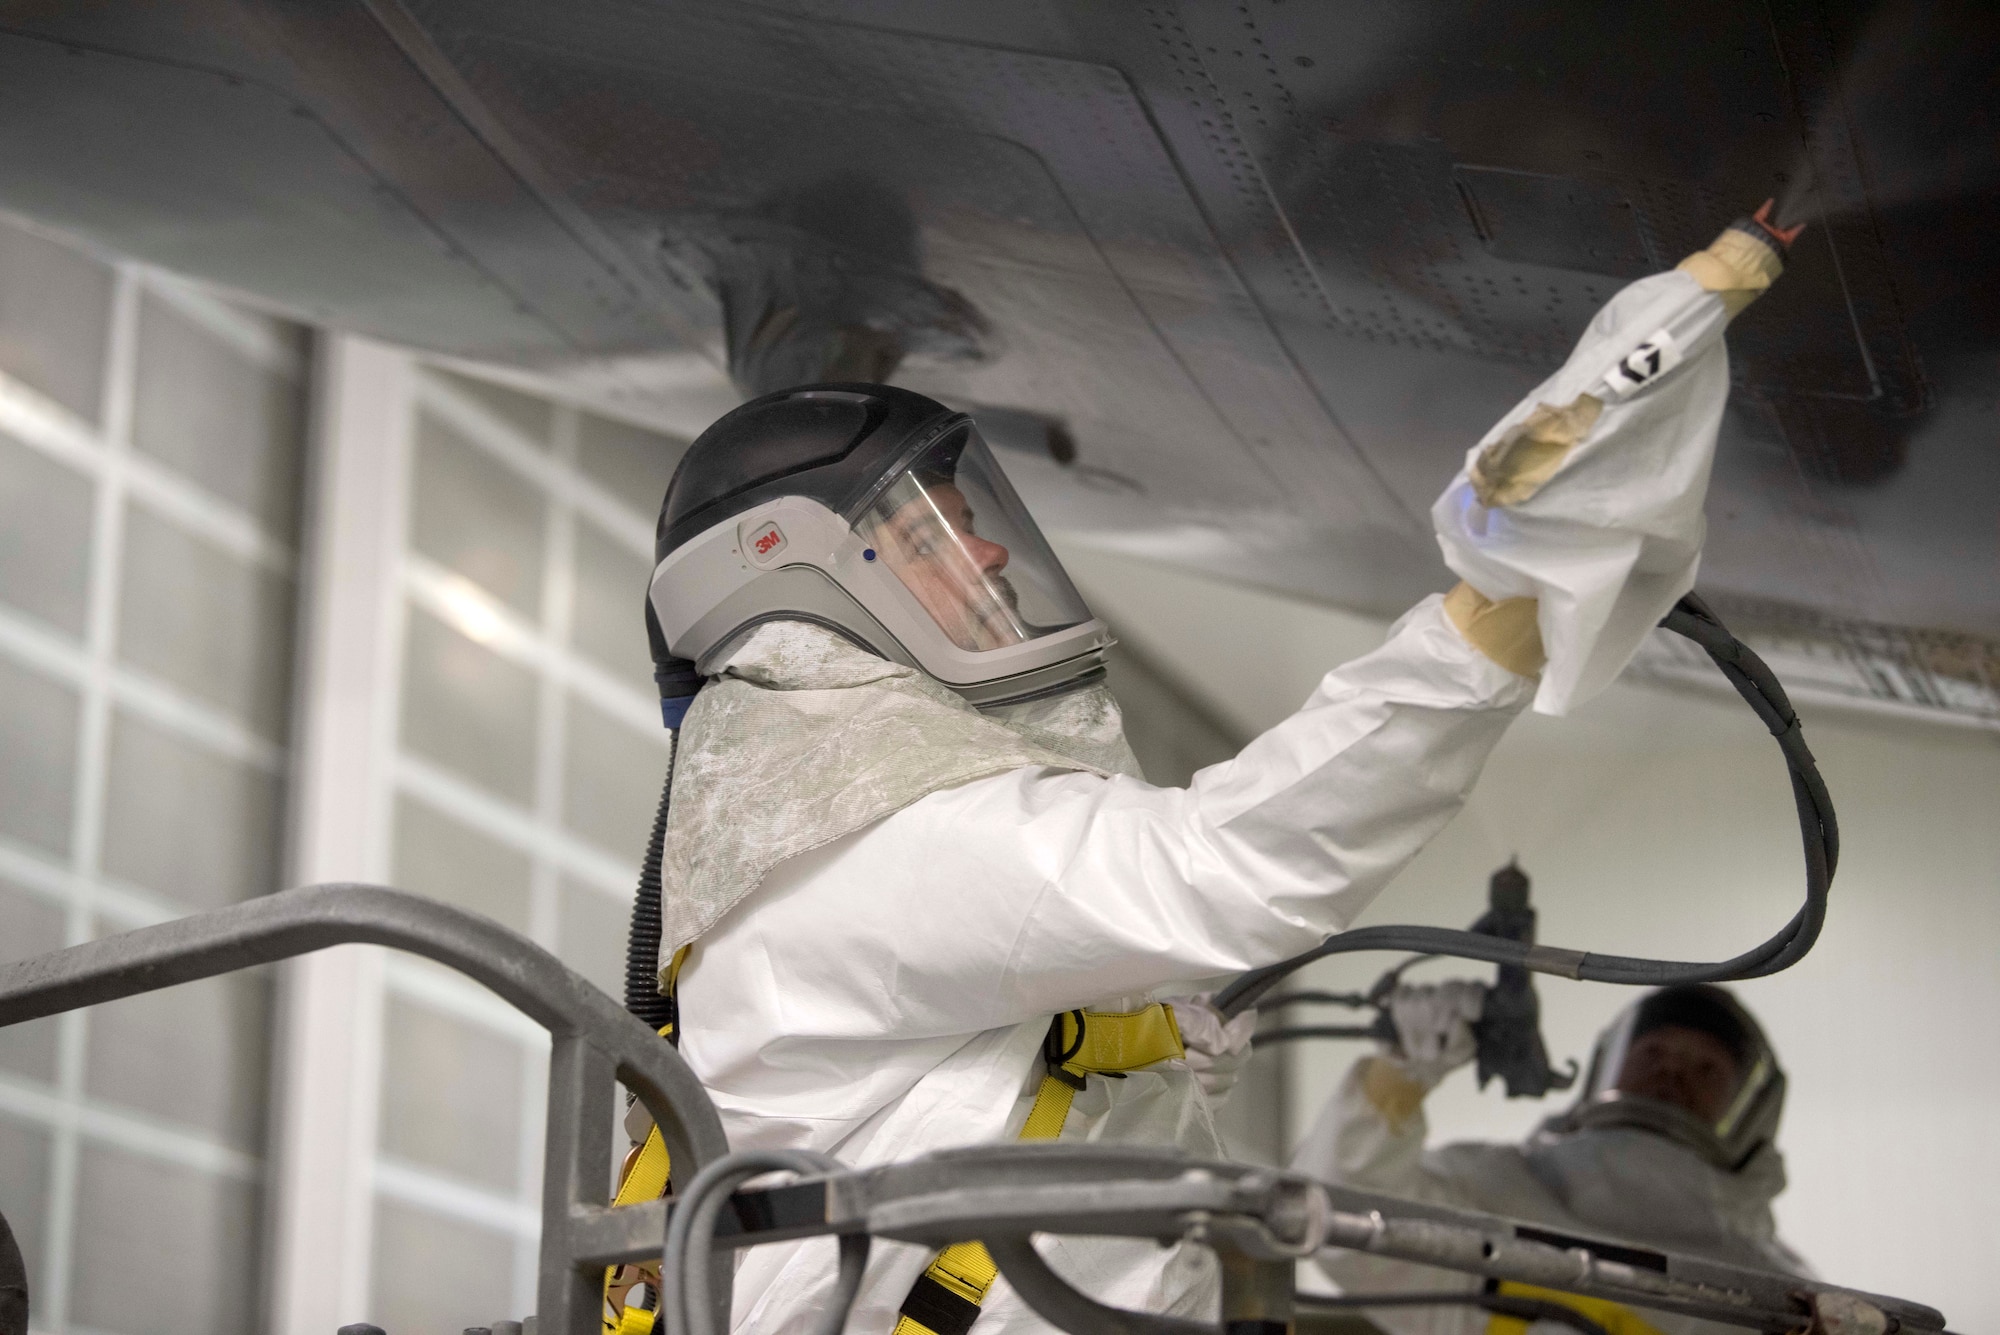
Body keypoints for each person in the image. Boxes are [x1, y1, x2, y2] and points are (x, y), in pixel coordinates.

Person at [616, 204, 1803, 1335]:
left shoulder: (854, 831)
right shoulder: (858, 845)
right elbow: (1225, 870)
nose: (983, 545)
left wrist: (1152, 1041)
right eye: (927, 534)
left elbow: (1018, 1116)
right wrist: (1484, 627)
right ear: (797, 587)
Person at [1291, 983, 1808, 1335]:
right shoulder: (1497, 1194)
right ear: (1606, 1066)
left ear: (1751, 1112)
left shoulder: (1777, 1296)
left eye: (1704, 1069)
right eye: (1653, 1054)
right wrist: (1398, 1075)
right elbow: (1334, 1214)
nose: (1671, 1077)